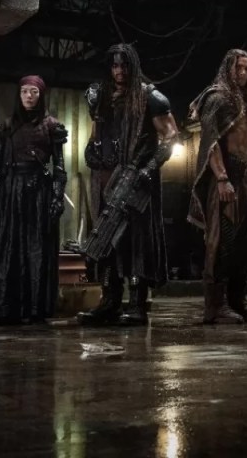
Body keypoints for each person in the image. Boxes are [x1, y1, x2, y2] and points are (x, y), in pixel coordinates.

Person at [77, 43, 178, 326]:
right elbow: (97, 133)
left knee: (136, 242)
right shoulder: (101, 97)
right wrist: (90, 150)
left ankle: (136, 304)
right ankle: (109, 301)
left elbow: (171, 136)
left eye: (123, 65)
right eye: (114, 66)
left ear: (132, 66)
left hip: (135, 180)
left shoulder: (150, 97)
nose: (119, 71)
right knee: (104, 240)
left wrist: (149, 167)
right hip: (106, 178)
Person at [188, 49, 247, 324]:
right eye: (238, 68)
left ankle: (237, 301)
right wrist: (222, 178)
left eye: (246, 69)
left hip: (244, 181)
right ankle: (215, 306)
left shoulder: (244, 101)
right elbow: (210, 142)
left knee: (245, 243)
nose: (242, 73)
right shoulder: (217, 98)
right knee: (222, 241)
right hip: (225, 179)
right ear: (228, 68)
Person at [0, 75, 67, 324]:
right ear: (18, 95)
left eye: (34, 92)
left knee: (36, 248)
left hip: (38, 193)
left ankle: (35, 308)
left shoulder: (52, 126)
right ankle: (7, 308)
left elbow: (59, 166)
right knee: (9, 247)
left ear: (41, 95)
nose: (29, 96)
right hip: (10, 192)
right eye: (25, 91)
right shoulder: (7, 126)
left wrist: (57, 196)